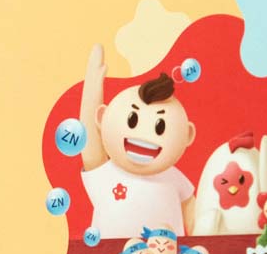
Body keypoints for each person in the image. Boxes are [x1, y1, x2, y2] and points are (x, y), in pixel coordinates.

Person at [79, 44, 196, 239]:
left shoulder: (174, 178)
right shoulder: (107, 174)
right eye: (132, 121)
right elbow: (89, 141)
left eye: (159, 127)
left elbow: (194, 219)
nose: (145, 136)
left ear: (188, 135)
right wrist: (92, 84)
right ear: (101, 117)